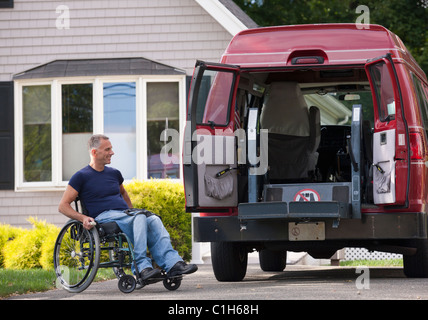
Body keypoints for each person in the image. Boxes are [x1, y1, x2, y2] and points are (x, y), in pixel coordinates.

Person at [58, 134, 197, 281]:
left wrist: (132, 213)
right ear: (94, 152)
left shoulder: (114, 173)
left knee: (154, 219)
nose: (112, 152)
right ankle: (141, 267)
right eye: (107, 149)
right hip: (103, 217)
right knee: (140, 217)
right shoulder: (81, 176)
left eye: (111, 149)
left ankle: (173, 264)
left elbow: (123, 193)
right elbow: (63, 206)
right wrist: (83, 218)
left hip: (123, 214)